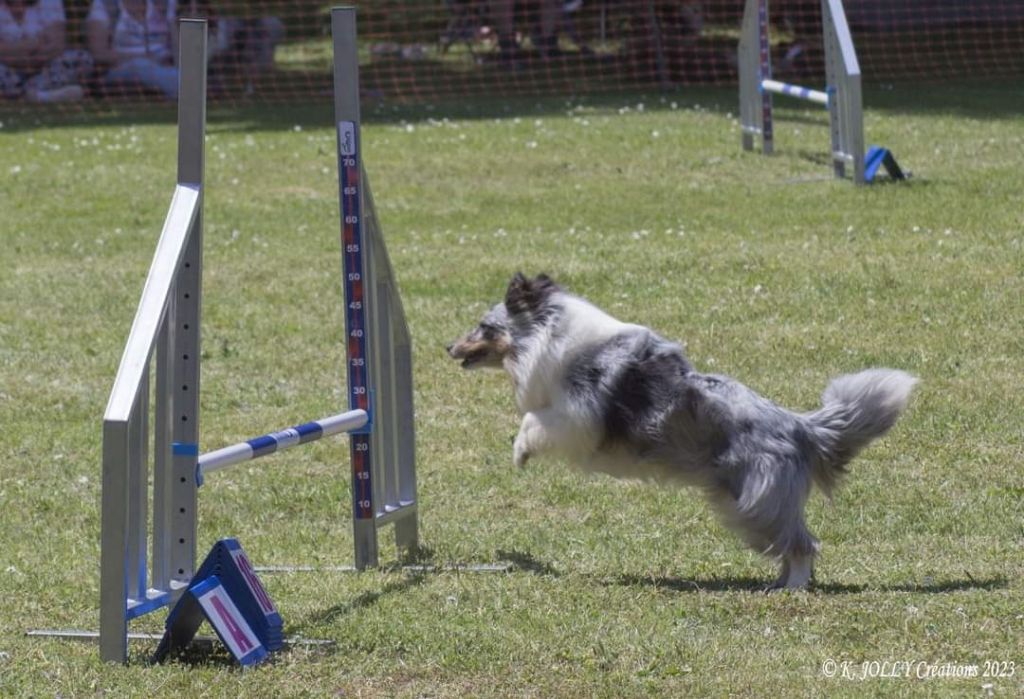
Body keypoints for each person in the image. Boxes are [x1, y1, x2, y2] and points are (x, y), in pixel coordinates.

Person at [0, 0, 93, 102]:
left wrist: (31, 58)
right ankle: (43, 95)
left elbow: (57, 44)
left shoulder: (49, 2)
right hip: (8, 69)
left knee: (82, 58)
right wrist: (34, 43)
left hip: (43, 68)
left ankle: (31, 94)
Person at [86, 0, 179, 100]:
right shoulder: (104, 4)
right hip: (121, 67)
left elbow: (177, 46)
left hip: (164, 65)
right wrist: (146, 58)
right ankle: (187, 90)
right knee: (141, 65)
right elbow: (99, 54)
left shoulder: (166, 3)